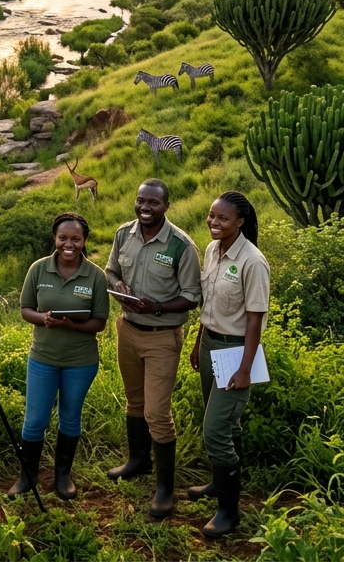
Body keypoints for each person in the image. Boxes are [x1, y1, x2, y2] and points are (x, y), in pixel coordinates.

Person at [105, 179, 202, 518]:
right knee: (135, 401)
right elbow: (111, 270)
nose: (145, 207)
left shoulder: (180, 245)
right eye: (140, 200)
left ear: (166, 206)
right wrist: (117, 284)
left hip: (162, 337)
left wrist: (157, 308)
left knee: (157, 412)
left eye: (153, 203)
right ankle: (137, 460)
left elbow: (192, 296)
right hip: (127, 331)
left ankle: (165, 490)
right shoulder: (123, 235)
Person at [10, 213, 110, 500]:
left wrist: (71, 325)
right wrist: (44, 319)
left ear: (84, 241)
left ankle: (62, 476)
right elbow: (25, 309)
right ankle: (26, 476)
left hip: (80, 361)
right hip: (42, 358)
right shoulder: (38, 270)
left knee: (70, 418)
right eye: (63, 238)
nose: (69, 244)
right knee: (35, 420)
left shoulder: (95, 276)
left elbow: (99, 322)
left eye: (75, 239)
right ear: (55, 239)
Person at [188, 191, 269, 539]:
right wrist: (197, 343)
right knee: (225, 423)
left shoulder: (252, 261)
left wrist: (245, 369)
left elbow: (254, 320)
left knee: (215, 430)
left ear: (240, 222)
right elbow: (211, 305)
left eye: (222, 218)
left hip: (236, 351)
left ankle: (228, 511)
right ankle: (217, 483)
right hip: (210, 344)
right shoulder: (211, 249)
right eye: (211, 215)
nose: (213, 222)